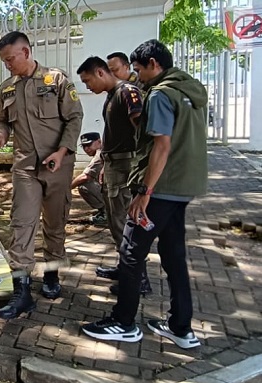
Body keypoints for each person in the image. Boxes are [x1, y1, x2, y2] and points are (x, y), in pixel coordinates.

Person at [82, 39, 208, 349]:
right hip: (184, 187)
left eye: (137, 69)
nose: (134, 75)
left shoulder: (161, 95)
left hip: (162, 187)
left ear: (154, 64)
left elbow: (161, 145)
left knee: (130, 251)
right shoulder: (187, 92)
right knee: (174, 256)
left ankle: (124, 322)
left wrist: (145, 191)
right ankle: (180, 327)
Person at [0, 31, 84, 319]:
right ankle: (22, 291)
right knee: (21, 224)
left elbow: (75, 117)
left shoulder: (55, 80)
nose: (7, 65)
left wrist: (63, 151)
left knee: (55, 223)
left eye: (10, 59)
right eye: (3, 61)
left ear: (26, 52)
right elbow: (2, 121)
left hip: (57, 166)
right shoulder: (7, 88)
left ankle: (53, 272)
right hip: (25, 167)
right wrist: (0, 136)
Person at [77, 56, 152, 296]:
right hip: (112, 166)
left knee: (124, 223)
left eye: (88, 81)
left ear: (100, 73)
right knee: (115, 222)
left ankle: (138, 278)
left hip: (124, 167)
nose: (88, 87)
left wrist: (142, 170)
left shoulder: (127, 92)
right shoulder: (111, 96)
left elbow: (141, 128)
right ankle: (125, 268)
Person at [70, 132, 107, 224]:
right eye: (83, 146)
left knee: (84, 185)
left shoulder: (99, 155)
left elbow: (85, 177)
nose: (86, 149)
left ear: (99, 141)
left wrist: (67, 188)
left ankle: (106, 213)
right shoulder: (102, 152)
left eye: (89, 145)